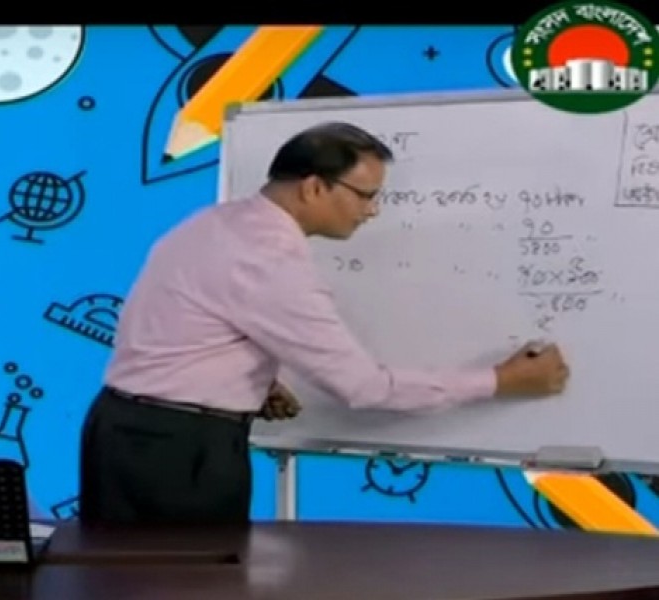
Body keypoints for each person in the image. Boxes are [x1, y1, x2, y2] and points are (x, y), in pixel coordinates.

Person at [77, 122, 569, 527]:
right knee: (185, 586)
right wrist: (502, 380)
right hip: (180, 452)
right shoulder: (270, 258)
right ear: (314, 187)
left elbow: (182, 324)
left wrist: (252, 380)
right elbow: (363, 388)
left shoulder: (212, 222)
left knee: (120, 578)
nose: (372, 211)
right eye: (366, 195)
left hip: (121, 430)